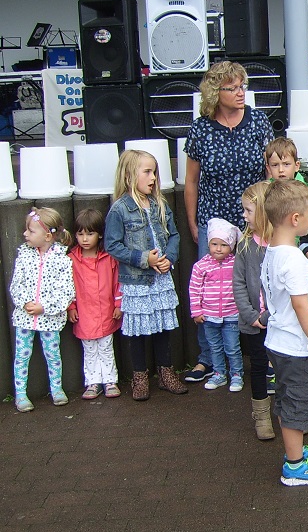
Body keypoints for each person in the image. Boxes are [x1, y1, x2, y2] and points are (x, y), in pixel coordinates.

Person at [184, 60, 273, 383]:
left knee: (255, 286)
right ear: (214, 92)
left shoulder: (259, 122)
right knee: (211, 290)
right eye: (232, 87)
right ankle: (209, 358)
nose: (240, 93)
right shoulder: (200, 128)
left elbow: (269, 174)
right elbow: (191, 181)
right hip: (215, 221)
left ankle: (261, 355)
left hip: (251, 221)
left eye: (242, 86)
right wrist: (194, 223)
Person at [260, 180, 308, 486]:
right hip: (296, 347)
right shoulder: (293, 260)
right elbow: (302, 306)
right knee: (298, 403)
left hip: (279, 342)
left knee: (287, 399)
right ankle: (294, 466)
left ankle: (298, 452)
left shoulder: (274, 252)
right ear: (295, 219)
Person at [105, 149, 187, 401]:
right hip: (137, 281)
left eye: (154, 172)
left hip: (161, 278)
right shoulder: (120, 210)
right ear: (130, 175)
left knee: (163, 327)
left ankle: (166, 373)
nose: (153, 178)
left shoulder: (159, 205)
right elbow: (112, 245)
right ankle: (139, 377)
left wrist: (168, 259)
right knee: (138, 332)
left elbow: (173, 235)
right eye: (147, 172)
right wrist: (144, 259)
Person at [10, 208, 75, 412]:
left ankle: (56, 389)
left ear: (47, 235)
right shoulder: (24, 257)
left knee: (53, 354)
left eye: (30, 231)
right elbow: (15, 285)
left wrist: (44, 307)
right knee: (21, 355)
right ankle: (20, 393)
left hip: (50, 318)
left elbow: (67, 292)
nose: (25, 234)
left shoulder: (62, 260)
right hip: (24, 317)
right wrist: (24, 303)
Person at [233, 181, 275, 440]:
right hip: (254, 322)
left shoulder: (281, 244)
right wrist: (251, 316)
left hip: (279, 321)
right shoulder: (245, 245)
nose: (244, 216)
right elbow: (237, 283)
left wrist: (271, 316)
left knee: (284, 367)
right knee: (258, 367)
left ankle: (287, 415)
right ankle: (261, 417)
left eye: (248, 211)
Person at [68, 208, 122, 401]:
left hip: (106, 311)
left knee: (107, 347)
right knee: (89, 350)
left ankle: (110, 380)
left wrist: (118, 304)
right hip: (84, 313)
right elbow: (68, 286)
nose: (84, 238)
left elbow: (118, 282)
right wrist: (71, 307)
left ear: (99, 234)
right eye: (80, 233)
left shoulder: (109, 258)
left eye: (89, 233)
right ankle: (92, 382)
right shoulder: (72, 260)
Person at [189, 218, 244, 393]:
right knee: (215, 346)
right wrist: (196, 311)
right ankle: (219, 373)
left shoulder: (236, 264)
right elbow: (194, 289)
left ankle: (236, 374)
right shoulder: (201, 266)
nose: (218, 249)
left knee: (233, 347)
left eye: (223, 245)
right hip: (209, 315)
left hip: (231, 314)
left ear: (232, 246)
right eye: (214, 244)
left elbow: (242, 286)